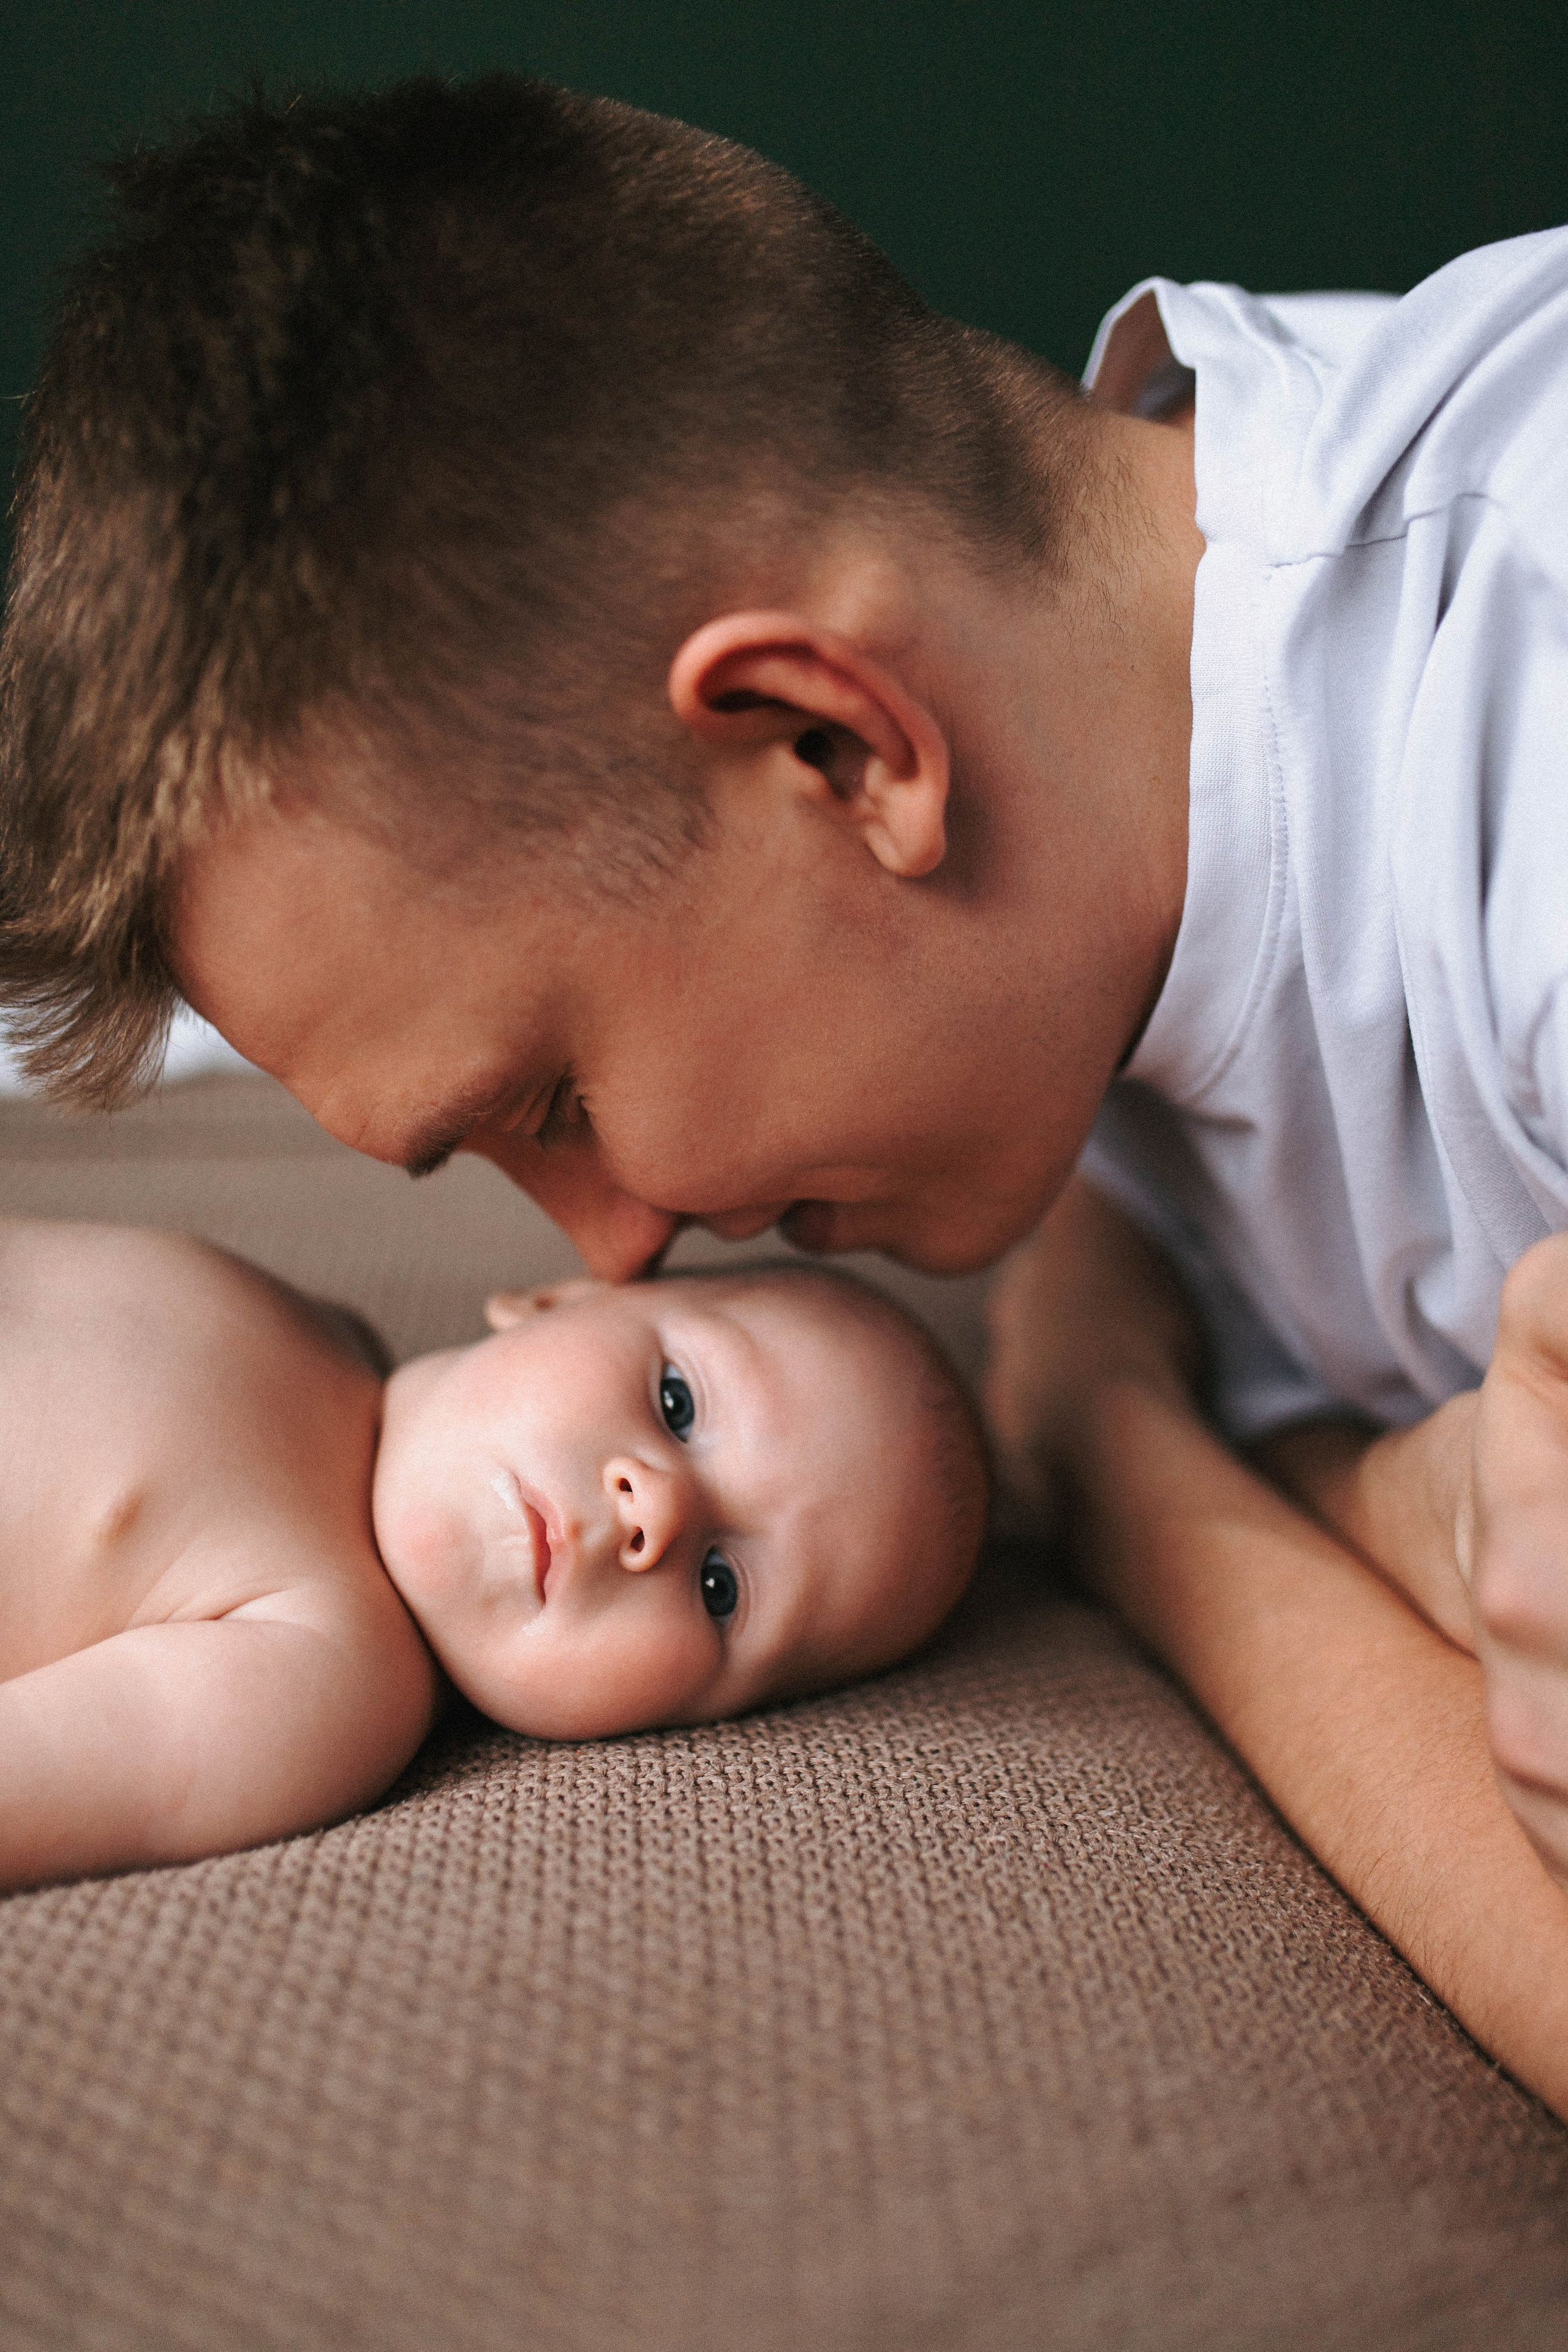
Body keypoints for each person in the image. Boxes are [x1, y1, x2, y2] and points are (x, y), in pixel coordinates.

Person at [1, 75, 1565, 2086]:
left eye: (555, 1101)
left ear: (835, 747)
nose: (620, 1245)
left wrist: (1123, 1452)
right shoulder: (1093, 871)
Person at [0, 1220, 985, 1891]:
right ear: (556, 1300)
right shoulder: (318, 1325)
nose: (655, 1512)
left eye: (720, 1589)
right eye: (676, 1402)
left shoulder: (333, 1688)